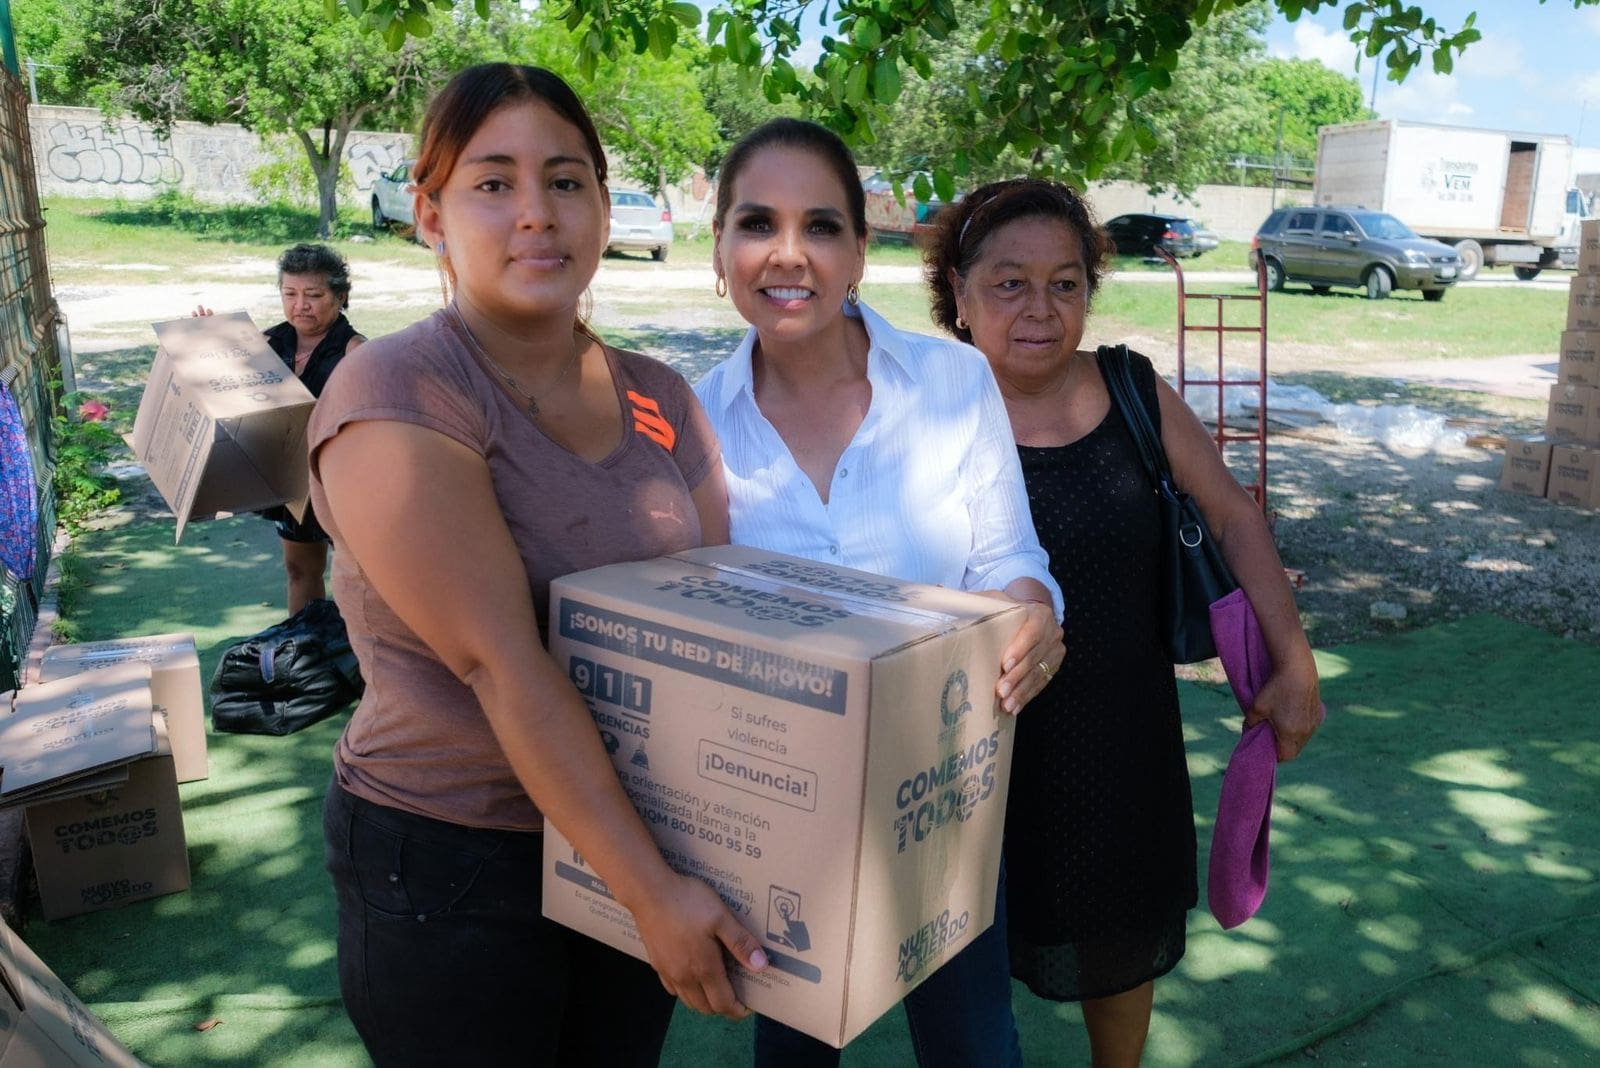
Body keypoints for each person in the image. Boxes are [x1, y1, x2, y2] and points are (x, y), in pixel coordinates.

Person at [306, 63, 766, 1066]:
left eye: (566, 182)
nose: (536, 216)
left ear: (605, 205)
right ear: (430, 215)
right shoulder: (402, 389)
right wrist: (653, 895)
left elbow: (717, 616)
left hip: (629, 838)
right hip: (453, 862)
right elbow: (500, 665)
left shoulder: (657, 397)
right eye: (492, 183)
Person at [923, 178, 1323, 1067]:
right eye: (1008, 282)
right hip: (971, 749)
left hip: (1120, 742)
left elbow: (1233, 516)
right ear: (958, 291)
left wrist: (1292, 656)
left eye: (1065, 284)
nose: (1039, 309)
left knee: (1118, 954)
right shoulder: (923, 405)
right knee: (967, 981)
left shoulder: (1133, 392)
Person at [693, 118, 1066, 1068]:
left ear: (861, 249)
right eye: (756, 224)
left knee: (974, 1047)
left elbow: (1009, 557)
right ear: (720, 248)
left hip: (939, 798)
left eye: (821, 226)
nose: (788, 255)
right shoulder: (695, 420)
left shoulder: (952, 380)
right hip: (776, 819)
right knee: (796, 1051)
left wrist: (1033, 611)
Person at [194, 243, 364, 613]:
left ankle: (366, 660)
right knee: (299, 571)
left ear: (341, 297)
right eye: (290, 293)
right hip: (289, 482)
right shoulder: (267, 343)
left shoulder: (357, 352)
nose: (300, 305)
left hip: (342, 484)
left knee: (360, 576)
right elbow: (227, 394)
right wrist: (206, 343)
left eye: (314, 295)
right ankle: (304, 654)